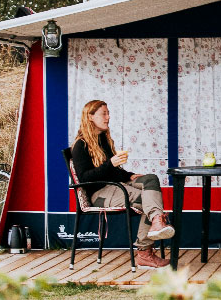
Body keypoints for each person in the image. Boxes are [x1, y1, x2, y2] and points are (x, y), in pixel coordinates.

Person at [70, 100, 174, 249]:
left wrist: (128, 175)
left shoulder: (103, 140)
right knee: (149, 201)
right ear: (90, 116)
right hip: (99, 194)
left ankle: (157, 222)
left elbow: (112, 171)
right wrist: (110, 163)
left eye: (108, 113)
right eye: (103, 114)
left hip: (114, 186)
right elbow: (85, 178)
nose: (108, 117)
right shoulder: (81, 145)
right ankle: (145, 250)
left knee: (150, 179)